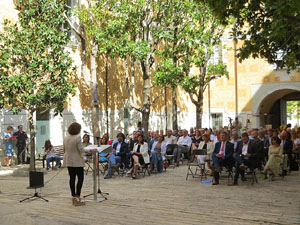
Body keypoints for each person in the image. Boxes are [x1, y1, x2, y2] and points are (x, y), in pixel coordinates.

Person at [63, 122, 97, 206]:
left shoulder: (66, 137)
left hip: (68, 160)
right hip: (77, 161)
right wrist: (90, 150)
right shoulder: (77, 137)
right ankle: (77, 196)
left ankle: (73, 196)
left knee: (72, 178)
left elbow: (64, 149)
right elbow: (81, 149)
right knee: (80, 178)